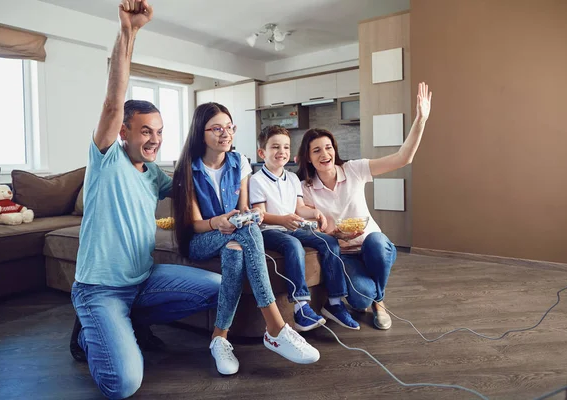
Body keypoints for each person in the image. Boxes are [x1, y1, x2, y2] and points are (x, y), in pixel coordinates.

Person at [69, 1, 221, 398]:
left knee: (219, 286)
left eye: (159, 131)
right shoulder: (107, 158)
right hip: (99, 288)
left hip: (143, 281)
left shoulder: (153, 173)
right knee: (123, 384)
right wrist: (129, 32)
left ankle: (128, 322)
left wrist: (224, 151)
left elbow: (194, 186)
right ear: (123, 132)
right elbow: (112, 102)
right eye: (144, 132)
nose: (154, 139)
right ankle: (90, 334)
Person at [172, 102, 320, 376]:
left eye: (229, 127)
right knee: (246, 232)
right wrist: (218, 222)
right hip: (202, 240)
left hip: (234, 235)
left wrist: (247, 217)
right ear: (200, 133)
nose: (225, 133)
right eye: (217, 128)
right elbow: (194, 224)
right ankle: (275, 328)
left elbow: (244, 211)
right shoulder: (188, 169)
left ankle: (219, 339)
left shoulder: (239, 162)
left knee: (238, 246)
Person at [297, 82, 432, 330]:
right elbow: (308, 228)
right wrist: (332, 233)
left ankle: (380, 303)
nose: (324, 153)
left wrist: (421, 119)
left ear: (334, 150)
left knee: (377, 243)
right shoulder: (304, 188)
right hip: (345, 253)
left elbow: (403, 157)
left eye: (328, 147)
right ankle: (374, 296)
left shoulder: (355, 169)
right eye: (316, 150)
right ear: (308, 157)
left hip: (372, 245)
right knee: (360, 299)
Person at [249, 125, 360, 331]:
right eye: (275, 147)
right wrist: (282, 220)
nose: (281, 152)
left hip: (291, 227)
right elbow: (260, 215)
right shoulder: (256, 181)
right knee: (293, 245)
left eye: (286, 147)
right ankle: (301, 308)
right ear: (262, 152)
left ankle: (335, 303)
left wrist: (315, 212)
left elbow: (299, 208)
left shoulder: (292, 178)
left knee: (328, 241)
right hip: (269, 231)